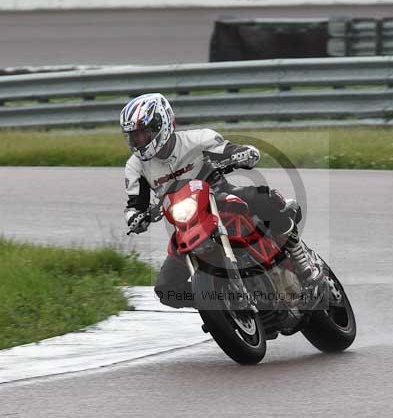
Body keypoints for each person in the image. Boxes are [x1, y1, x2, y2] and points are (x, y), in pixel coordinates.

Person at [121, 93, 320, 308]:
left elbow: (228, 149)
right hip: (185, 223)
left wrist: (242, 153)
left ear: (163, 124)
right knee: (166, 289)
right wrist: (135, 217)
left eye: (144, 133)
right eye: (134, 136)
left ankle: (302, 259)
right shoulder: (136, 166)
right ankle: (218, 307)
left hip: (219, 197)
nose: (139, 140)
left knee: (265, 198)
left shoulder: (197, 140)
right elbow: (135, 204)